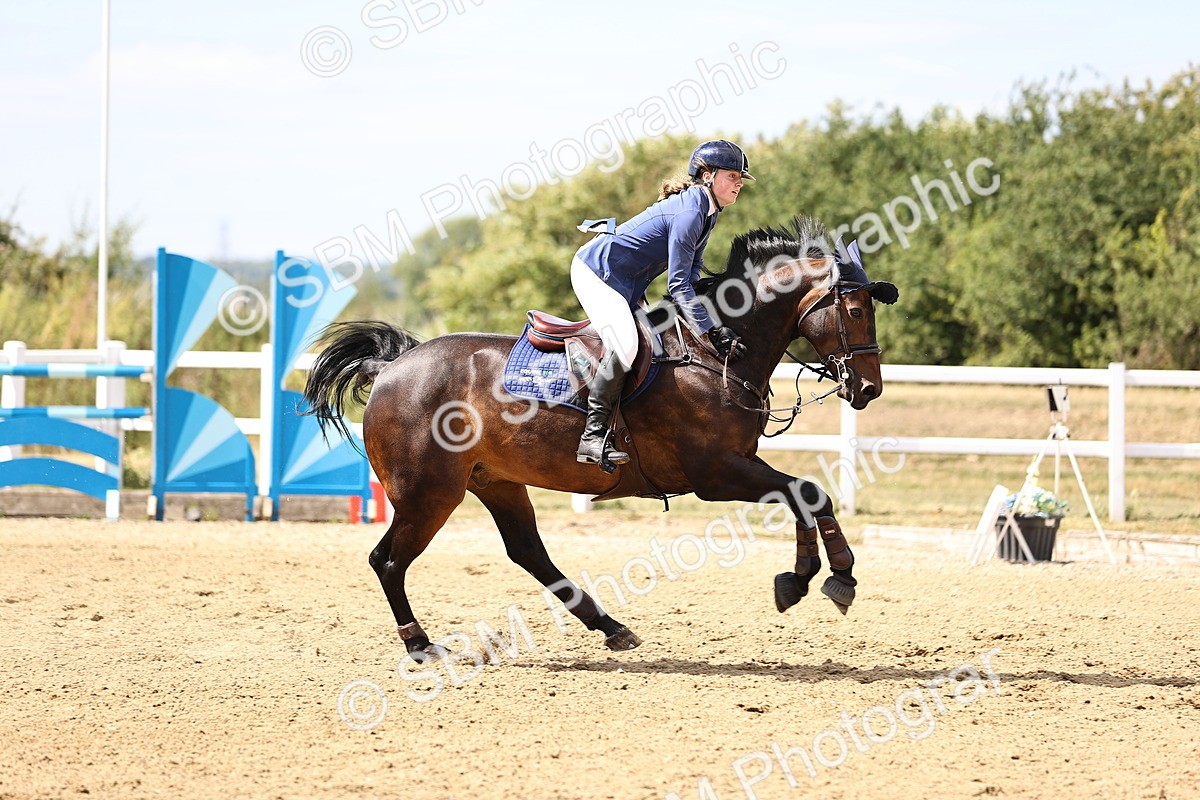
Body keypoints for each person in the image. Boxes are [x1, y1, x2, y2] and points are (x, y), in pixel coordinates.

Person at [571, 139, 753, 468]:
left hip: (626, 280)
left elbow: (692, 275)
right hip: (597, 271)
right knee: (626, 346)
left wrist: (715, 313)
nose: (739, 182)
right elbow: (677, 283)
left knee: (652, 343)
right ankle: (592, 437)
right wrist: (712, 330)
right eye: (732, 175)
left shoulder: (707, 211)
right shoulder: (690, 211)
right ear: (708, 175)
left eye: (741, 177)